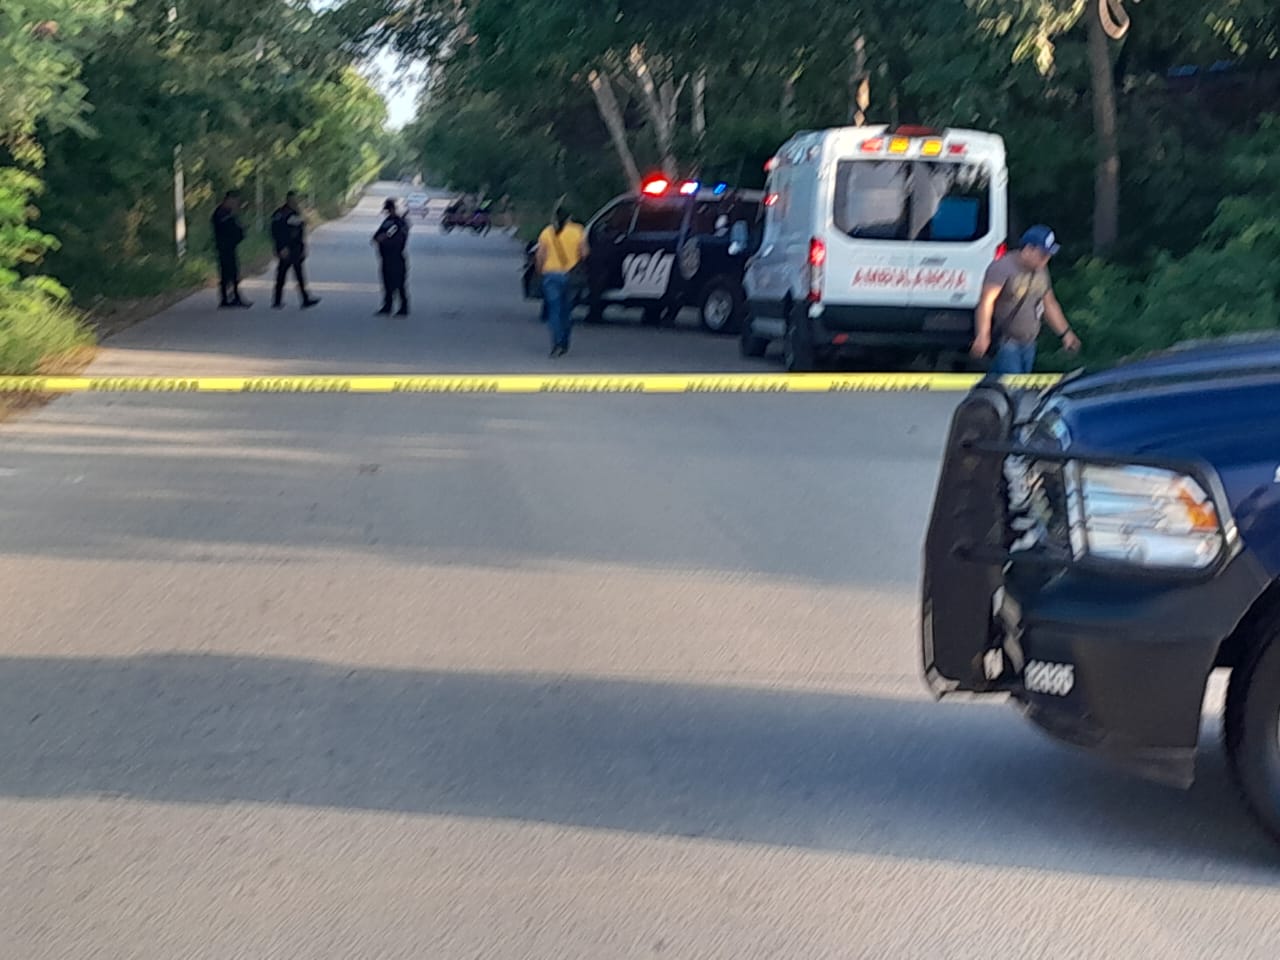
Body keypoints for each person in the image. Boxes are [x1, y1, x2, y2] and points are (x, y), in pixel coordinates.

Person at [971, 225, 1081, 375]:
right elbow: (986, 302)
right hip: (1007, 342)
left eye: (1049, 255)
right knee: (1012, 385)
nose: (1046, 259)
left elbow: (1049, 303)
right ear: (1028, 249)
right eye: (1043, 254)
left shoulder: (1041, 270)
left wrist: (1065, 333)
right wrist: (983, 335)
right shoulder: (1002, 268)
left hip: (1029, 343)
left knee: (1019, 386)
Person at [535, 206, 588, 358]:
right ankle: (565, 341)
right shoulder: (578, 230)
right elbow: (584, 253)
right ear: (570, 217)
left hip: (551, 275)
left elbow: (540, 255)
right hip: (571, 276)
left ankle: (556, 343)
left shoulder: (547, 232)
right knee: (567, 311)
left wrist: (539, 271)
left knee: (554, 311)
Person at [270, 190, 320, 310]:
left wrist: (303, 248)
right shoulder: (280, 214)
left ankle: (304, 299)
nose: (295, 202)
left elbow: (300, 232)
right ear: (288, 200)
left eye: (296, 200)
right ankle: (277, 300)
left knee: (299, 275)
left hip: (295, 248)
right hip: (286, 249)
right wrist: (281, 247)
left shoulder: (295, 213)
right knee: (282, 274)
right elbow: (276, 232)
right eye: (293, 200)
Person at [211, 191, 250, 308]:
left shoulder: (229, 213)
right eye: (235, 201)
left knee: (233, 273)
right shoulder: (220, 213)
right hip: (224, 247)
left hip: (231, 247)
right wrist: (238, 229)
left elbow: (235, 227)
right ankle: (225, 299)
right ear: (229, 200)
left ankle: (234, 297)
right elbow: (226, 229)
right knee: (226, 273)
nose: (236, 204)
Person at [372, 197, 410, 316]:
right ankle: (387, 306)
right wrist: (380, 238)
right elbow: (376, 236)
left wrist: (385, 238)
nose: (388, 212)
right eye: (387, 210)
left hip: (396, 257)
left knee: (399, 283)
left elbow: (399, 239)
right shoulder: (388, 222)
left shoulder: (400, 223)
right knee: (387, 282)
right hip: (386, 257)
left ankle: (403, 307)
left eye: (390, 209)